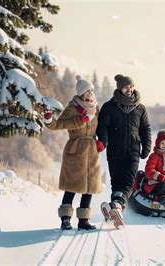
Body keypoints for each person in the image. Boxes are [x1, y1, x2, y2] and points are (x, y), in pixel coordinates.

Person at [44, 75, 105, 230]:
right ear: (81, 93)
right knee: (71, 186)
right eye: (87, 91)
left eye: (92, 90)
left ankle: (83, 221)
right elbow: (57, 125)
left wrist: (102, 141)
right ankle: (65, 219)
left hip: (92, 150)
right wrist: (49, 119)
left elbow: (103, 127)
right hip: (75, 149)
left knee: (89, 187)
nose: (90, 93)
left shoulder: (95, 108)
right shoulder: (72, 108)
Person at [96, 74, 151, 228]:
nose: (130, 89)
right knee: (117, 182)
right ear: (120, 88)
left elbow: (145, 129)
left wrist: (146, 146)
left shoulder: (140, 108)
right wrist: (103, 141)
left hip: (133, 150)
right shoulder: (109, 106)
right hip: (114, 150)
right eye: (127, 87)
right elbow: (103, 127)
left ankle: (116, 206)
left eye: (131, 86)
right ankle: (116, 207)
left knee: (128, 182)